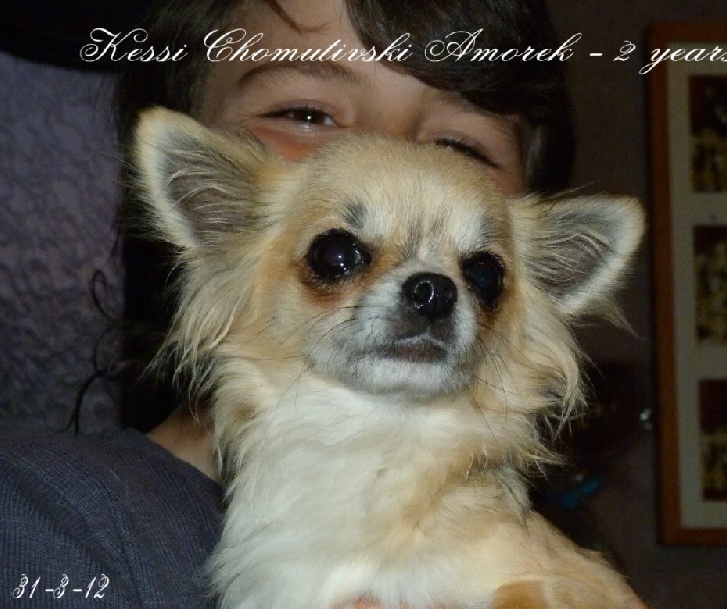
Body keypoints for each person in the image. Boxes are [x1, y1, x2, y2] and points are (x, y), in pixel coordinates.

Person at [1, 0, 646, 606]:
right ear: (215, 210)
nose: (393, 153)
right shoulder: (44, 518)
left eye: (480, 274)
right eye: (306, 113)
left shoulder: (531, 566)